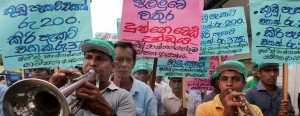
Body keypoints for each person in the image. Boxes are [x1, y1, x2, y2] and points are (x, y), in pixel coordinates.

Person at [50, 38, 136, 115]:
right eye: (88, 57)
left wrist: (107, 112)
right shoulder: (65, 90)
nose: (92, 63)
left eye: (100, 59)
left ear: (113, 66)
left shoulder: (123, 96)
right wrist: (52, 90)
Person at [196, 60, 263, 116]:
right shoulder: (204, 108)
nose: (229, 84)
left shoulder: (255, 109)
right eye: (224, 79)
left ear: (244, 84)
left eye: (236, 79)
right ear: (219, 84)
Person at [111, 41, 157, 116]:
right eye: (119, 59)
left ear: (134, 63)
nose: (124, 64)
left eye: (128, 60)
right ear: (111, 62)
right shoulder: (101, 88)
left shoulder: (145, 91)